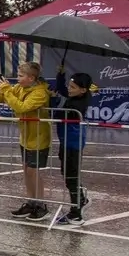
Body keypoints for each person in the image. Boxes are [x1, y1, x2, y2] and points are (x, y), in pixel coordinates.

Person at [0, 61, 52, 221]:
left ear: (31, 78)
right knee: (26, 170)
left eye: (20, 76)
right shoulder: (19, 88)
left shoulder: (40, 93)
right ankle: (31, 202)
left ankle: (41, 205)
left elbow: (21, 107)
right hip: (25, 138)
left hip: (38, 138)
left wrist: (7, 91)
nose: (17, 78)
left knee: (33, 171)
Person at [50, 69, 92, 225]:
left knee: (71, 176)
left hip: (72, 143)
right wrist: (60, 76)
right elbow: (62, 89)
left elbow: (58, 115)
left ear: (83, 90)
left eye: (73, 87)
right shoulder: (75, 97)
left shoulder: (77, 105)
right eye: (69, 85)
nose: (69, 89)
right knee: (67, 173)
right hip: (65, 141)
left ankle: (77, 211)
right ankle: (80, 200)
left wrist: (53, 101)